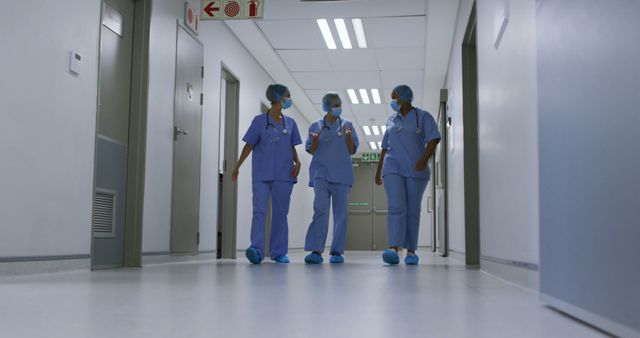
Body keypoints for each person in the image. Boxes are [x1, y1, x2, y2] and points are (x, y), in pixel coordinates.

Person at [232, 84, 302, 264]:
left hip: (284, 174)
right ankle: (256, 249)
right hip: (262, 174)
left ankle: (278, 252)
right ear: (279, 99)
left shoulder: (291, 123)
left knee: (280, 213)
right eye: (287, 97)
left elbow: (291, 146)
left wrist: (298, 161)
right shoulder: (258, 121)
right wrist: (237, 166)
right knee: (259, 211)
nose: (289, 101)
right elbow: (249, 145)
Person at [375, 85, 440, 265]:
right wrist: (378, 171)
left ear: (404, 97)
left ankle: (411, 251)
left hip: (416, 169)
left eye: (394, 97)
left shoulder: (423, 117)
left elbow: (433, 139)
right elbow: (385, 147)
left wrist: (423, 160)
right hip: (392, 167)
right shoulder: (391, 120)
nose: (392, 101)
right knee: (396, 206)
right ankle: (393, 248)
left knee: (412, 210)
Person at [303, 93, 359, 264]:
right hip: (321, 175)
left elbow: (352, 150)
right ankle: (316, 250)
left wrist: (348, 136)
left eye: (340, 104)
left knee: (341, 214)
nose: (338, 108)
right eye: (335, 105)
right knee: (320, 210)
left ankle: (336, 252)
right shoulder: (316, 125)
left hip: (342, 176)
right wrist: (315, 139)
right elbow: (311, 151)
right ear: (327, 107)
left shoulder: (347, 125)